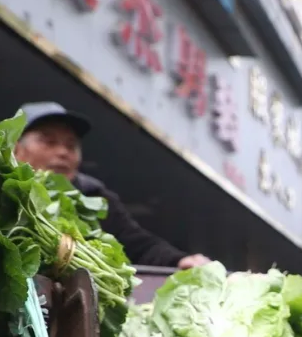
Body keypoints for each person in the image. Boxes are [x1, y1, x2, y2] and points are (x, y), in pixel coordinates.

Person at [14, 101, 210, 269]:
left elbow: (138, 244)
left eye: (71, 145)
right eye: (49, 142)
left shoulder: (94, 197)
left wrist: (179, 260)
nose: (63, 152)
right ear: (16, 150)